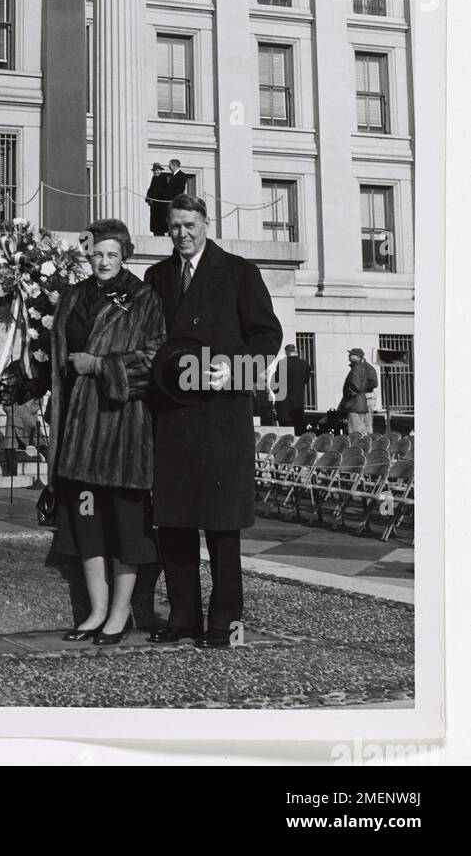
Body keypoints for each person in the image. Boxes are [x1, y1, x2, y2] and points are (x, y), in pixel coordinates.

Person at [144, 193, 282, 648]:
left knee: (222, 527)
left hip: (221, 415)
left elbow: (268, 333)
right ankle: (183, 617)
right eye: (175, 226)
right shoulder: (157, 276)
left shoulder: (240, 271)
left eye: (190, 225)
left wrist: (235, 368)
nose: (182, 234)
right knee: (176, 523)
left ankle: (225, 623)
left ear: (206, 223)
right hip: (173, 413)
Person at [46, 218, 166, 645]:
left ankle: (121, 614)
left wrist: (98, 366)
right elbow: (56, 357)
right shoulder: (74, 297)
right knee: (88, 524)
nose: (104, 261)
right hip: (79, 434)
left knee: (127, 528)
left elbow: (154, 361)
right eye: (97, 253)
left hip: (122, 432)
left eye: (112, 254)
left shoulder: (143, 298)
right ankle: (96, 611)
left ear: (125, 255)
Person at [270, 343, 312, 436]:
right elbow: (306, 380)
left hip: (284, 404)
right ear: (296, 352)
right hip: (298, 405)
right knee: (298, 432)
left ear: (286, 352)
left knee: (285, 435)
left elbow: (275, 384)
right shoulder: (304, 364)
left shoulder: (282, 364)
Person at [339, 347, 378, 437]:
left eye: (351, 354)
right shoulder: (359, 367)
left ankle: (365, 444)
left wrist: (359, 388)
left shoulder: (364, 367)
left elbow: (374, 383)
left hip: (363, 398)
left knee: (363, 427)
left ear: (358, 357)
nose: (349, 356)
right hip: (360, 399)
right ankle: (366, 443)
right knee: (362, 427)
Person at [145, 163, 169, 237]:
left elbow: (160, 191)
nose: (156, 172)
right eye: (154, 171)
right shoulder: (154, 178)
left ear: (160, 170)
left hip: (160, 204)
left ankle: (160, 234)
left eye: (157, 170)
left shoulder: (163, 178)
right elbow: (151, 189)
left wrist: (153, 199)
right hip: (154, 205)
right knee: (155, 223)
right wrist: (148, 198)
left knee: (160, 222)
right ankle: (156, 233)